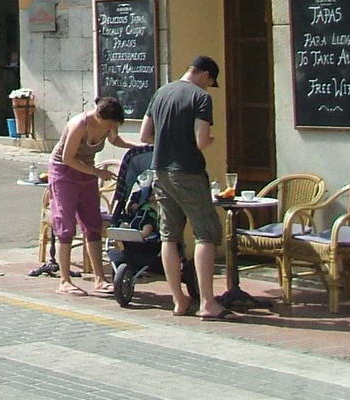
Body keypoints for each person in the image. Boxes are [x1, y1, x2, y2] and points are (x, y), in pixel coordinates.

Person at [139, 55, 226, 319]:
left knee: (169, 235)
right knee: (206, 233)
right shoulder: (200, 97)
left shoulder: (161, 92)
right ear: (206, 75)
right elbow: (201, 141)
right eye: (211, 82)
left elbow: (144, 136)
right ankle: (208, 302)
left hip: (160, 171)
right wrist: (208, 139)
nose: (209, 87)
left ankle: (179, 300)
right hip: (188, 171)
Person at [48, 95, 129, 295]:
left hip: (87, 173)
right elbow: (67, 158)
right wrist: (96, 173)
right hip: (64, 173)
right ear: (100, 117)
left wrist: (139, 147)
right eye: (109, 124)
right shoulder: (79, 125)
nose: (111, 128)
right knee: (65, 226)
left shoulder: (109, 124)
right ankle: (64, 281)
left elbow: (115, 140)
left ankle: (100, 279)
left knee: (92, 224)